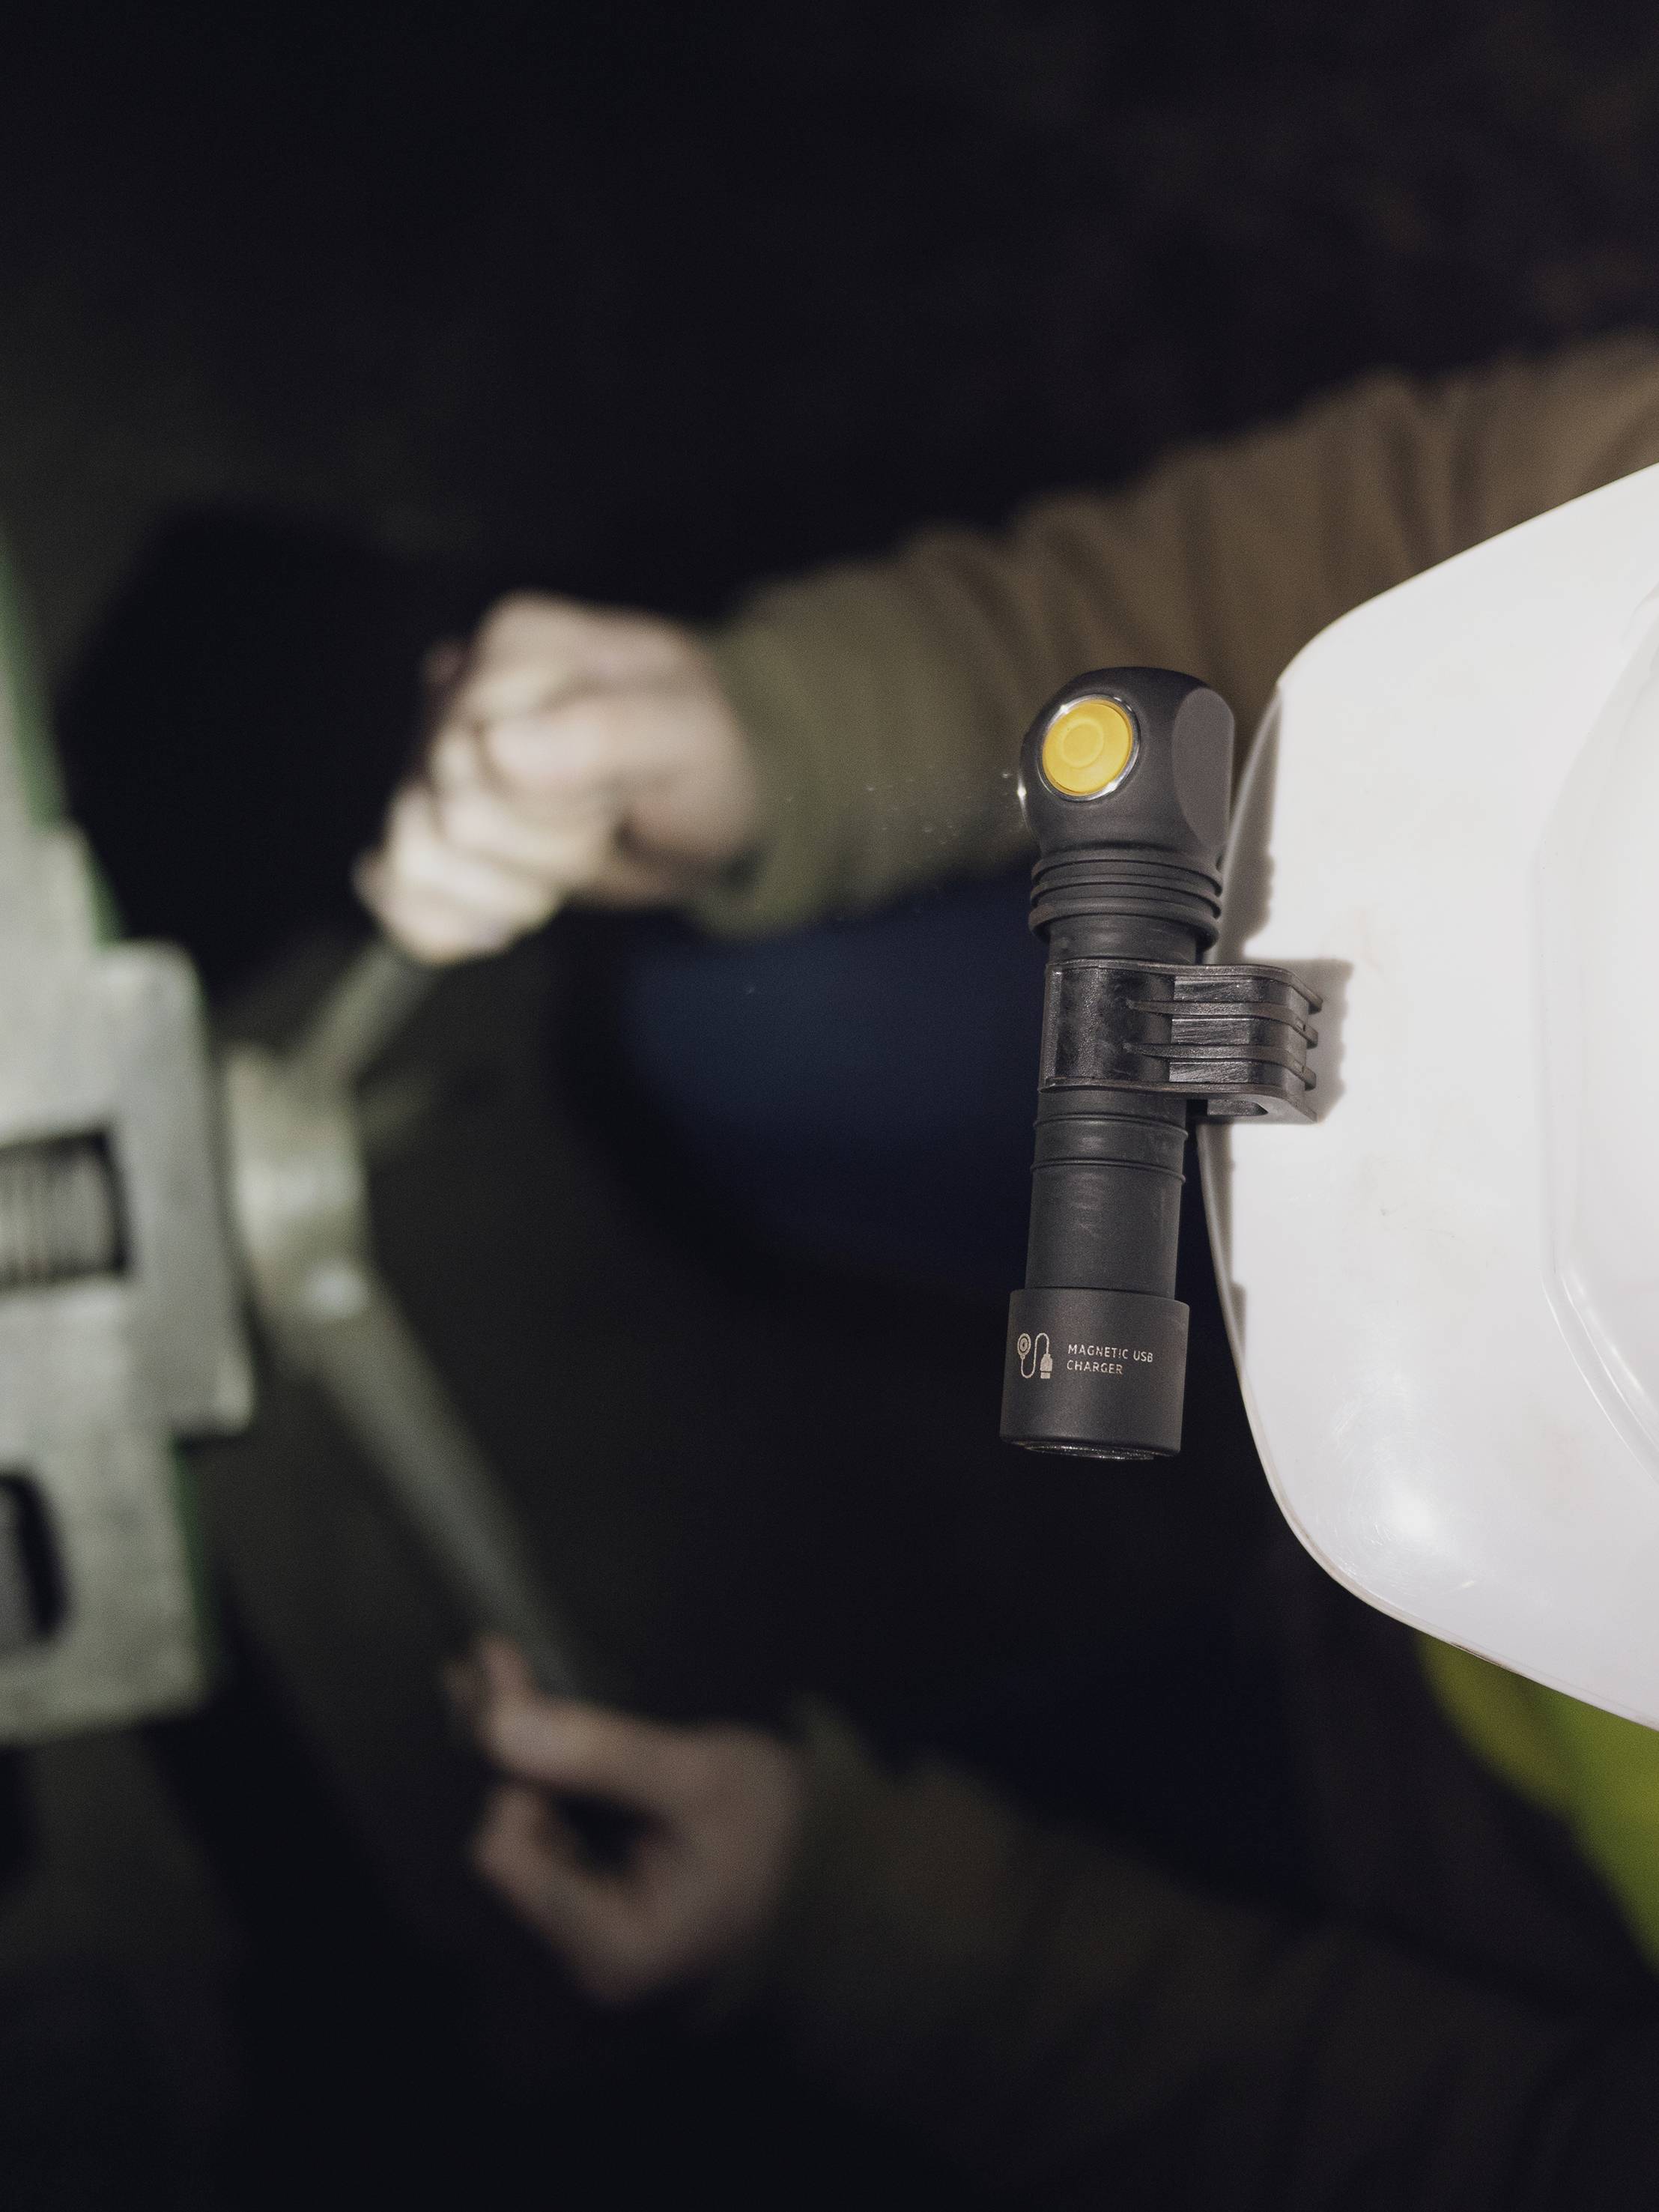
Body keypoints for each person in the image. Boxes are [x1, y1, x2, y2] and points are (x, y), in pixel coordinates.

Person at [364, 339, 1659, 2205]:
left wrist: (880, 1938)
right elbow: (1375, 544)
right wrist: (782, 733)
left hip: (1435, 1860)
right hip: (1289, 1018)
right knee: (741, 1031)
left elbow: (1512, 2144)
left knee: (666, 2095)